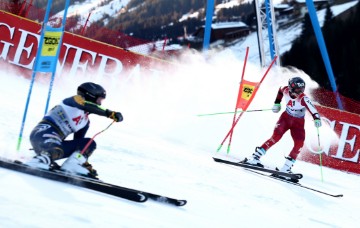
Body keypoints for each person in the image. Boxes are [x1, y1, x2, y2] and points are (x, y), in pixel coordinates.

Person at [26, 82, 123, 178]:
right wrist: (109, 113)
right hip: (42, 134)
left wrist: (82, 161)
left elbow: (79, 147)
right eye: (99, 100)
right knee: (56, 148)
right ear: (91, 96)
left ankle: (71, 165)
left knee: (89, 143)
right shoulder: (73, 100)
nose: (100, 103)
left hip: (55, 143)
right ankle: (40, 160)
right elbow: (85, 105)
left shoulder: (85, 122)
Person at [243, 76, 322, 176]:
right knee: (275, 137)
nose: (299, 92)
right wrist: (277, 103)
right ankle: (254, 158)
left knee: (299, 144)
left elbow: (313, 110)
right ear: (290, 88)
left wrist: (317, 119)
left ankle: (286, 168)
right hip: (285, 119)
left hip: (298, 123)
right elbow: (280, 91)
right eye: (297, 90)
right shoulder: (285, 89)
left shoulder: (303, 98)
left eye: (301, 90)